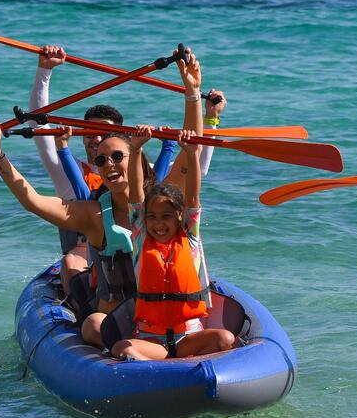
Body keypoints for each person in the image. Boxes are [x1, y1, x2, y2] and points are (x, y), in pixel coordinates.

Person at [0, 50, 207, 350]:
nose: (108, 164)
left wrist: (192, 92)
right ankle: (125, 352)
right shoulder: (93, 214)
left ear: (136, 161)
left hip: (168, 319)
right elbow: (33, 201)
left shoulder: (162, 201)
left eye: (117, 157)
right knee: (92, 323)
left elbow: (192, 145)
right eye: (101, 161)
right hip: (119, 320)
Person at [28, 45, 225, 322]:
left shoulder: (149, 180)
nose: (97, 141)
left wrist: (206, 113)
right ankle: (85, 319)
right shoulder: (71, 175)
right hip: (97, 266)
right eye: (90, 132)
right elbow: (41, 133)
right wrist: (44, 71)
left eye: (105, 135)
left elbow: (194, 164)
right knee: (72, 260)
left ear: (126, 146)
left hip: (149, 269)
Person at [105, 70, 236, 361]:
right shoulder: (141, 236)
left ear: (179, 217)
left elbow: (193, 195)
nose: (158, 224)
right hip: (151, 340)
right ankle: (161, 375)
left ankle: (188, 372)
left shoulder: (189, 235)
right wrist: (136, 149)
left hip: (189, 336)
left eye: (166, 216)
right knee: (121, 348)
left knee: (225, 338)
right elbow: (137, 196)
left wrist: (190, 153)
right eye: (152, 217)